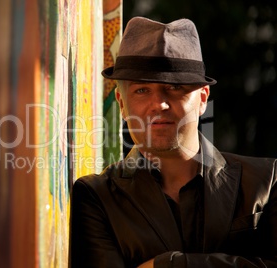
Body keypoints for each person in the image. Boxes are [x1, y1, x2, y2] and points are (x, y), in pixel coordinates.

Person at [69, 17, 277, 268]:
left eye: (175, 86)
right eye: (142, 90)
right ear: (122, 104)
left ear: (203, 99)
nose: (159, 104)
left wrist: (168, 264)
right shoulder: (96, 197)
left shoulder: (267, 179)